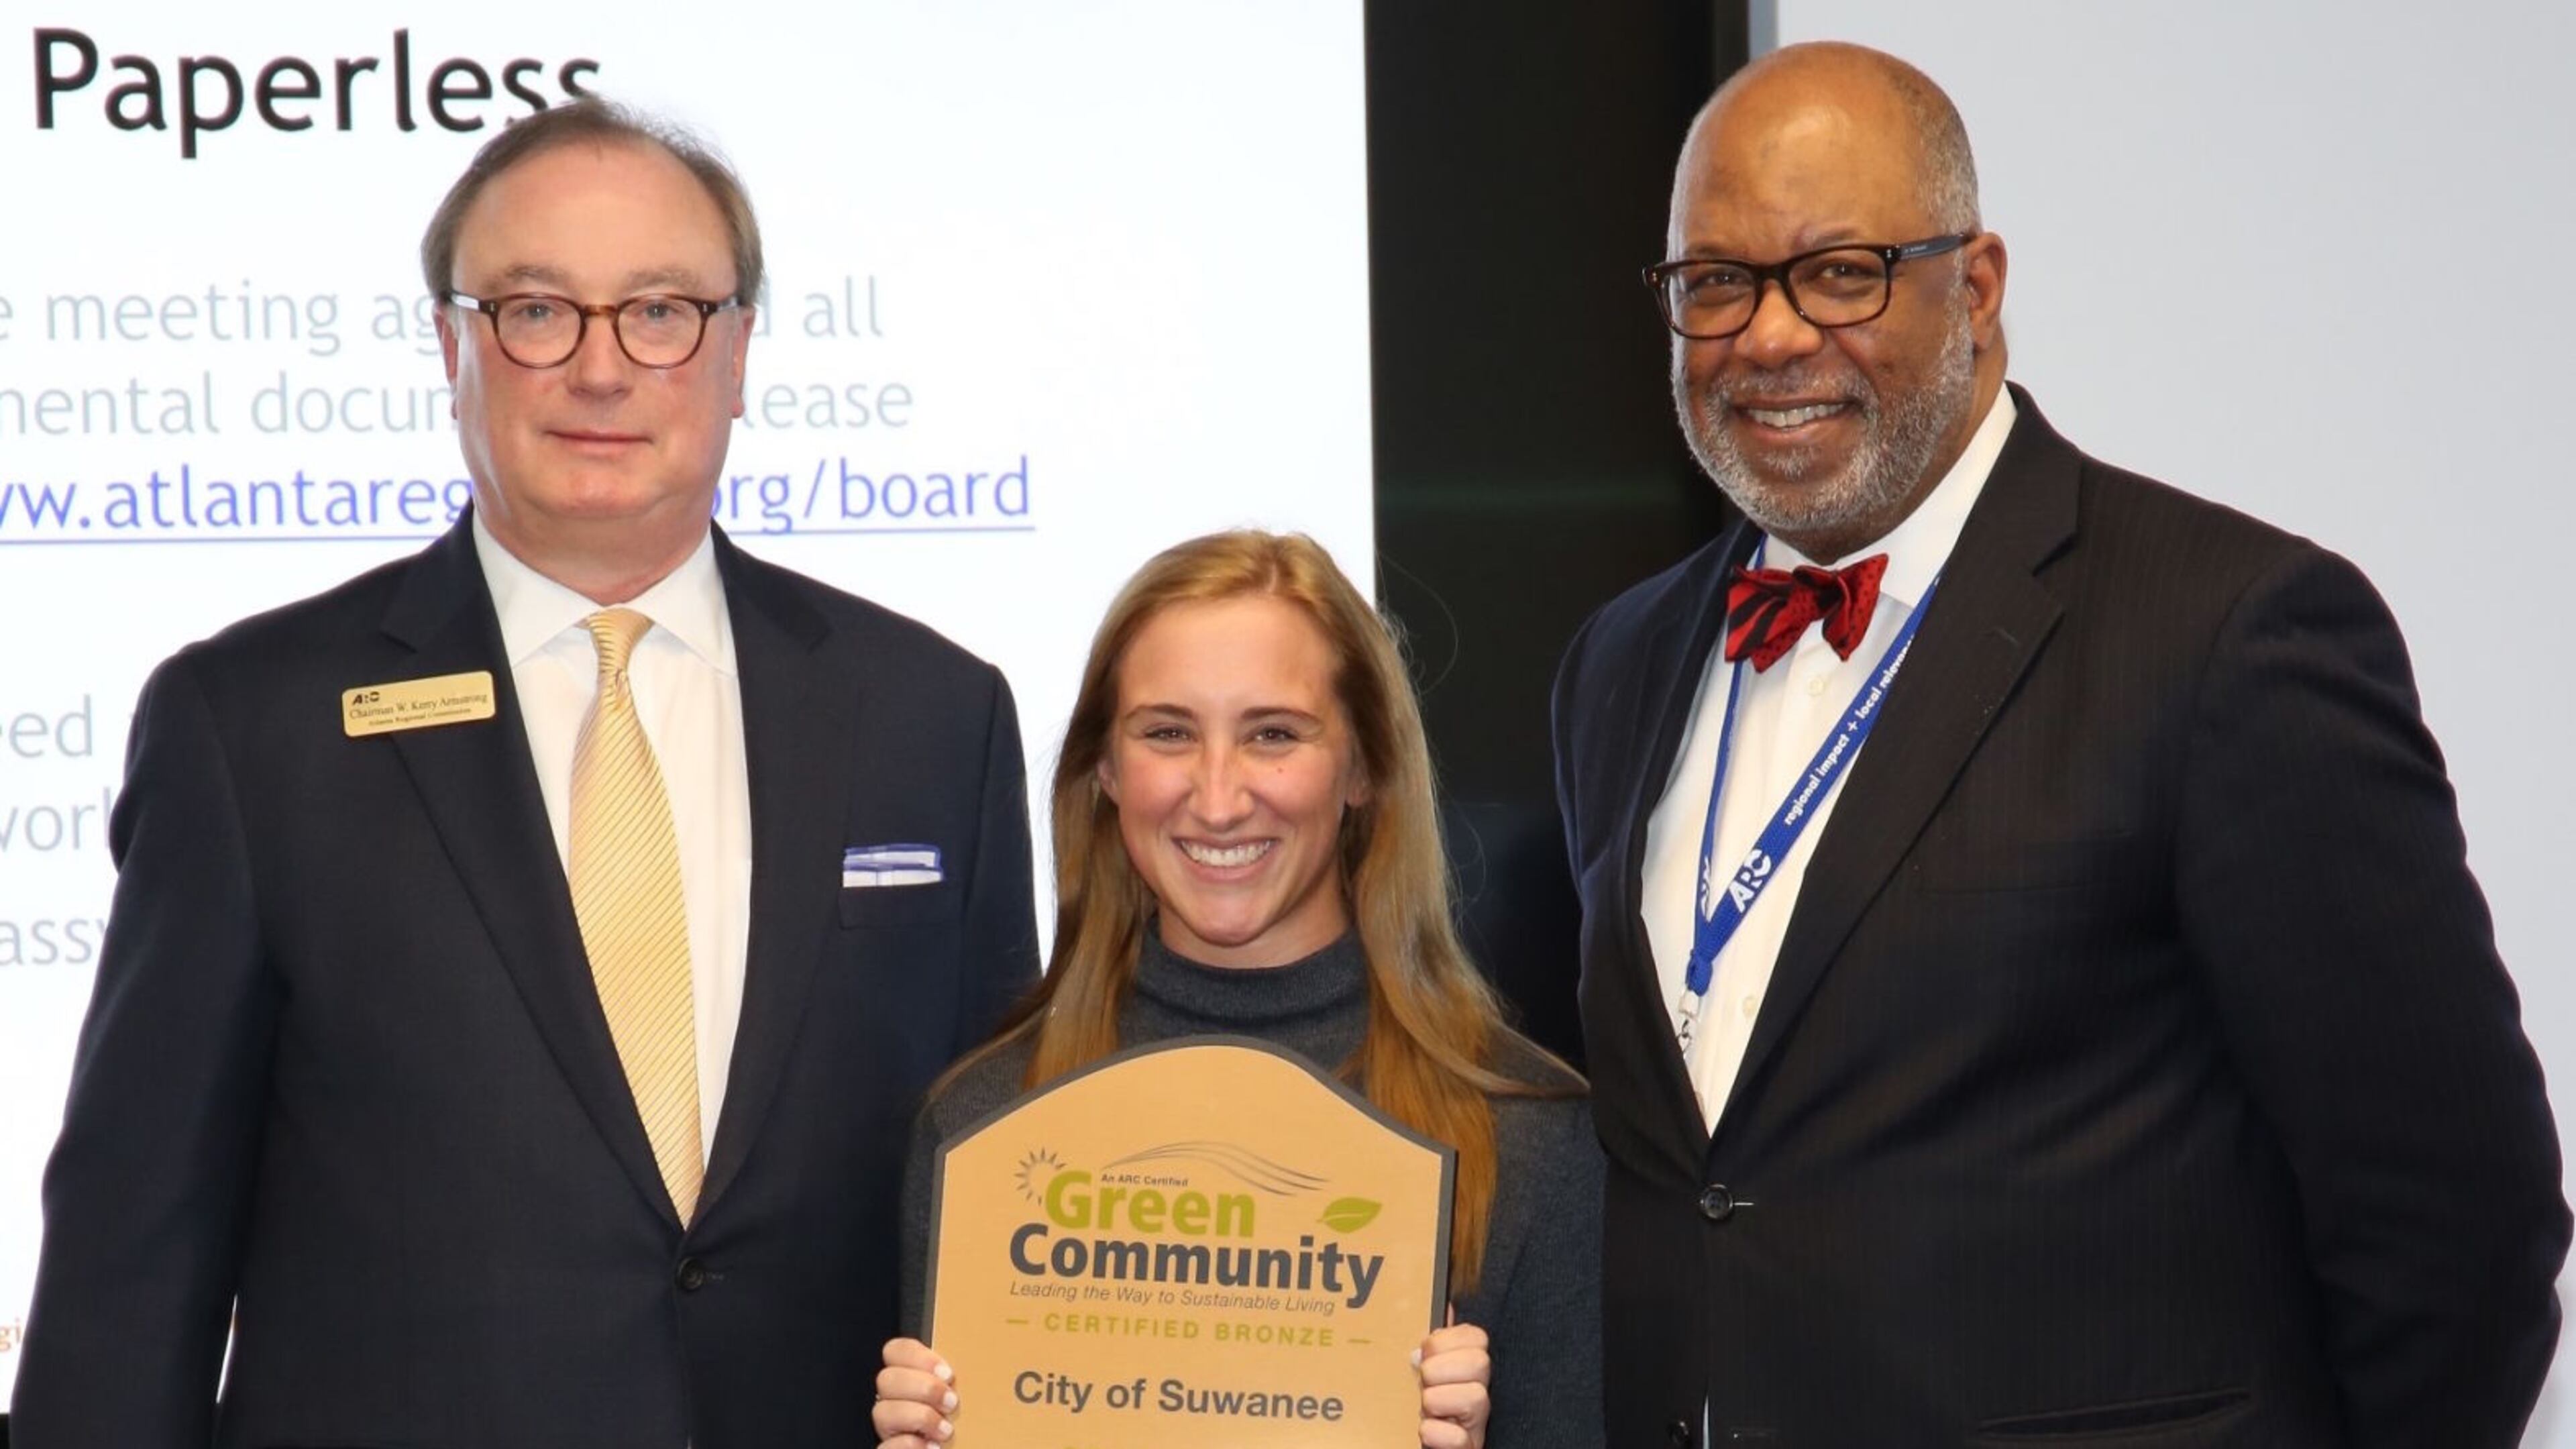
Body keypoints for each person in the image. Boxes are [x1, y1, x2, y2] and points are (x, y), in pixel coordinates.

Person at [1551, 40, 2568, 1448]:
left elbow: (2463, 1222)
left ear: (1975, 288)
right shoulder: (1619, 664)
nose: (1770, 336)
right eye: (1715, 282)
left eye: (1839, 269)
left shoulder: (2230, 634)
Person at [10, 99, 1038, 1448]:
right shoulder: (250, 727)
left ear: (738, 355)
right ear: (452, 347)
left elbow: (1001, 1199)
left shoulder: (930, 715)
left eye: (662, 311)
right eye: (537, 311)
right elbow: (128, 1277)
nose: (601, 370)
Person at [869, 530, 1605, 1449]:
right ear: (1105, 767)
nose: (1217, 800)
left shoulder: (1532, 1136)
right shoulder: (984, 1131)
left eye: (1273, 735)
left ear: (1365, 766)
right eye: (1168, 732)